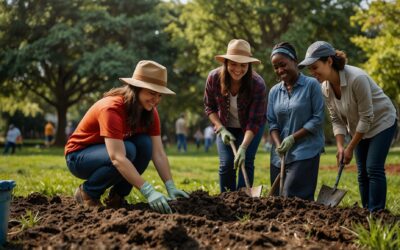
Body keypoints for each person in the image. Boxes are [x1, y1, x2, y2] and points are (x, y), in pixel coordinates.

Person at [65, 60, 189, 213]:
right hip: (79, 157)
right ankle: (88, 193)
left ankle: (117, 196)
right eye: (151, 93)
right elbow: (117, 157)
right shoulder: (112, 108)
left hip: (111, 152)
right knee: (128, 150)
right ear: (136, 88)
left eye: (159, 95)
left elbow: (158, 153)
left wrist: (170, 186)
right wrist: (148, 191)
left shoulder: (150, 111)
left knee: (145, 144)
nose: (156, 100)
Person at [299, 41, 397, 211]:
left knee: (373, 167)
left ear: (329, 61)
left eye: (315, 67)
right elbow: (336, 119)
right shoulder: (325, 88)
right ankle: (367, 211)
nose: (312, 73)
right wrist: (340, 147)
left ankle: (378, 213)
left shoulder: (357, 79)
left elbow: (367, 117)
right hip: (359, 127)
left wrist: (350, 147)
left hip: (382, 122)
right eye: (310, 69)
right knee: (361, 173)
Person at [204, 39, 267, 193]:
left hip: (251, 128)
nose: (238, 69)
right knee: (226, 163)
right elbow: (209, 107)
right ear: (226, 62)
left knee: (246, 161)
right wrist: (221, 128)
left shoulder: (257, 84)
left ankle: (244, 198)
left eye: (243, 65)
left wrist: (244, 147)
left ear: (249, 65)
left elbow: (254, 121)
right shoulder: (214, 78)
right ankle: (227, 199)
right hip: (225, 126)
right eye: (233, 63)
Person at [268, 42, 325, 200]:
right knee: (276, 199)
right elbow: (272, 123)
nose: (280, 70)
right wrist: (279, 144)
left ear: (294, 61)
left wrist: (293, 138)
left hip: (305, 151)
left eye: (283, 64)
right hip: (279, 155)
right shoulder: (274, 92)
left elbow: (317, 119)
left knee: (292, 196)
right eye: (275, 67)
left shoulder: (311, 85)